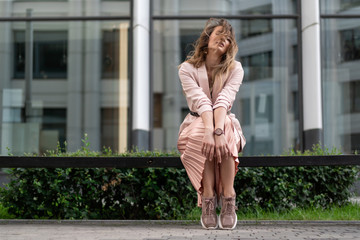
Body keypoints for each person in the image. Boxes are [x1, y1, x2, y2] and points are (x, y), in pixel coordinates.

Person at [177, 18, 246, 230]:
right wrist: (209, 130)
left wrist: (216, 131)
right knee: (199, 132)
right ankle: (207, 197)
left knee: (224, 126)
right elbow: (201, 101)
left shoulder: (235, 68)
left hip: (223, 121)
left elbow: (224, 99)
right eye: (218, 34)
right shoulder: (187, 69)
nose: (222, 39)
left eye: (227, 38)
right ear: (207, 39)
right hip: (196, 121)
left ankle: (228, 197)